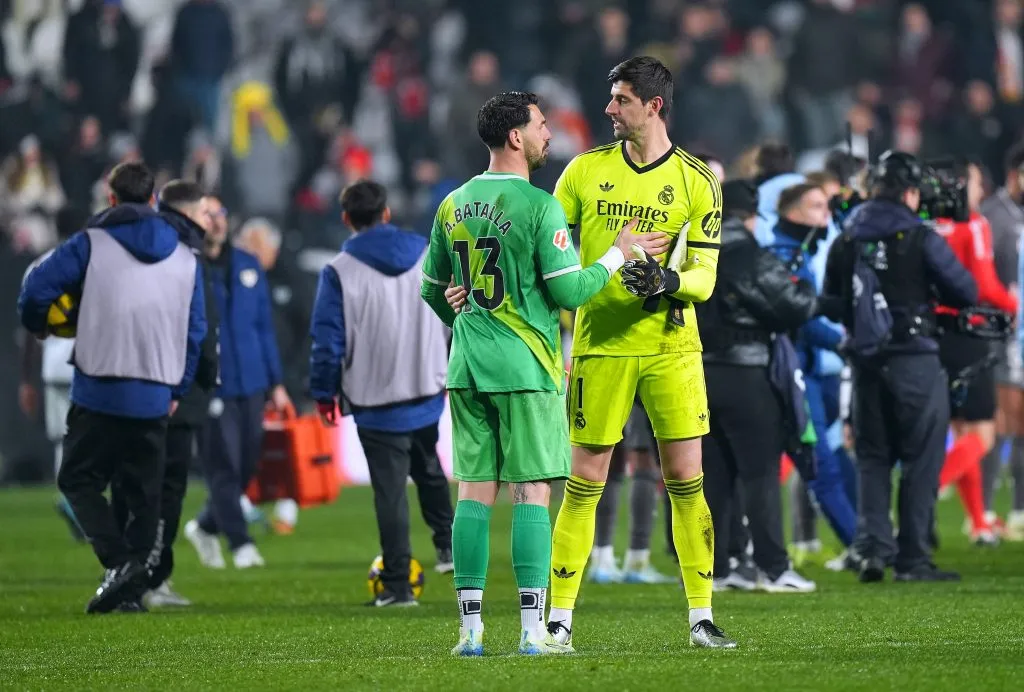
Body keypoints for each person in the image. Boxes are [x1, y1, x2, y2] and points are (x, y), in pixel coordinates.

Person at [421, 91, 666, 656]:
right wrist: (617, 255)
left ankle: (470, 632)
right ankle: (533, 631)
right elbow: (568, 291)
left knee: (474, 494)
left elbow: (431, 289)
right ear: (516, 137)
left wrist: (458, 311)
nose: (549, 134)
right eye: (540, 125)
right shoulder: (538, 206)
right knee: (532, 491)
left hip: (467, 364)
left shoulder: (452, 204)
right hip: (526, 366)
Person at [546, 56, 733, 649]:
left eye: (620, 99)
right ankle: (558, 620)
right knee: (584, 482)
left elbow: (704, 276)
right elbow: (552, 256)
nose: (609, 109)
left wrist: (665, 282)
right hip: (601, 343)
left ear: (652, 106)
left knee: (686, 479)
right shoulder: (580, 172)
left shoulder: (696, 181)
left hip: (671, 347)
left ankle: (701, 617)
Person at [17, 162, 207, 613]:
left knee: (78, 479)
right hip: (156, 390)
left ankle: (121, 565)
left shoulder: (91, 243)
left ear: (111, 196)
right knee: (143, 493)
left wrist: (40, 325)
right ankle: (132, 590)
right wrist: (177, 386)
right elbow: (194, 330)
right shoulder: (185, 255)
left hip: (101, 385)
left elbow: (35, 288)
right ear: (155, 199)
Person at [821, 150, 978, 583]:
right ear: (910, 193)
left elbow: (833, 302)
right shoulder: (921, 236)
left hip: (867, 362)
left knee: (872, 458)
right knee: (921, 458)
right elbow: (965, 290)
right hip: (915, 359)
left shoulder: (847, 236)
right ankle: (912, 558)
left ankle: (872, 549)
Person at [309, 179, 455, 607]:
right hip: (427, 386)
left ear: (346, 219)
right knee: (429, 467)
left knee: (390, 491)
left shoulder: (339, 271)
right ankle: (449, 547)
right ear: (386, 213)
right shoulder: (428, 253)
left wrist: (323, 393)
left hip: (374, 399)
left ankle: (397, 585)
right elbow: (452, 314)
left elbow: (327, 341)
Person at [700, 179, 819, 593]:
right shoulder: (752, 253)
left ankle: (718, 568)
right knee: (759, 474)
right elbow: (794, 307)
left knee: (714, 476)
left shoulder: (693, 251)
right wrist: (804, 284)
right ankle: (772, 568)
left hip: (699, 375)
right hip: (747, 374)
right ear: (749, 216)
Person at [115, 180, 220, 608]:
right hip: (178, 387)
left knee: (133, 482)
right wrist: (201, 380)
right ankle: (149, 579)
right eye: (206, 213)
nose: (211, 220)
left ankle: (128, 574)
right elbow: (198, 329)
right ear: (188, 213)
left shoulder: (133, 248)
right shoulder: (184, 255)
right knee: (164, 488)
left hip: (133, 382)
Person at [183, 195, 291, 570]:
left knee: (246, 466)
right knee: (222, 466)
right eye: (207, 213)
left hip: (252, 381)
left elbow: (264, 327)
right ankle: (241, 543)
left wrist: (276, 383)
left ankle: (206, 526)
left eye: (220, 213)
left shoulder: (247, 265)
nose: (216, 221)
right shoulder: (187, 266)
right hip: (212, 383)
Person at [768, 183, 858, 551]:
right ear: (793, 213)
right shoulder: (783, 257)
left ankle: (863, 539)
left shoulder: (797, 253)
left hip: (813, 372)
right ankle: (860, 545)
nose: (826, 215)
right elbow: (801, 318)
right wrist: (841, 341)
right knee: (821, 465)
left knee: (830, 460)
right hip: (797, 374)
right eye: (817, 207)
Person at [933, 159, 1016, 546]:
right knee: (983, 434)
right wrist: (1014, 305)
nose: (980, 192)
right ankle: (924, 494)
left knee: (960, 428)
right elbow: (983, 287)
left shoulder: (926, 223)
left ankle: (979, 521)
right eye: (977, 183)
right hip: (968, 334)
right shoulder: (974, 224)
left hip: (933, 335)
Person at [19, 206, 88, 541]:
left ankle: (69, 497)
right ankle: (80, 499)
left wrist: (25, 380)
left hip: (53, 366)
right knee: (94, 434)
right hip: (89, 362)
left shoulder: (38, 266)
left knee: (63, 437)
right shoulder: (91, 263)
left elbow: (30, 328)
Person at [979, 142, 1024, 540]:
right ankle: (984, 512)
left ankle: (1020, 512)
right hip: (1004, 334)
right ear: (1015, 174)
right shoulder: (991, 217)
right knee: (1001, 423)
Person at [586, 402, 674, 585]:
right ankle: (637, 561)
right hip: (637, 390)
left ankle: (601, 560)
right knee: (644, 460)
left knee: (608, 461)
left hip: (606, 383)